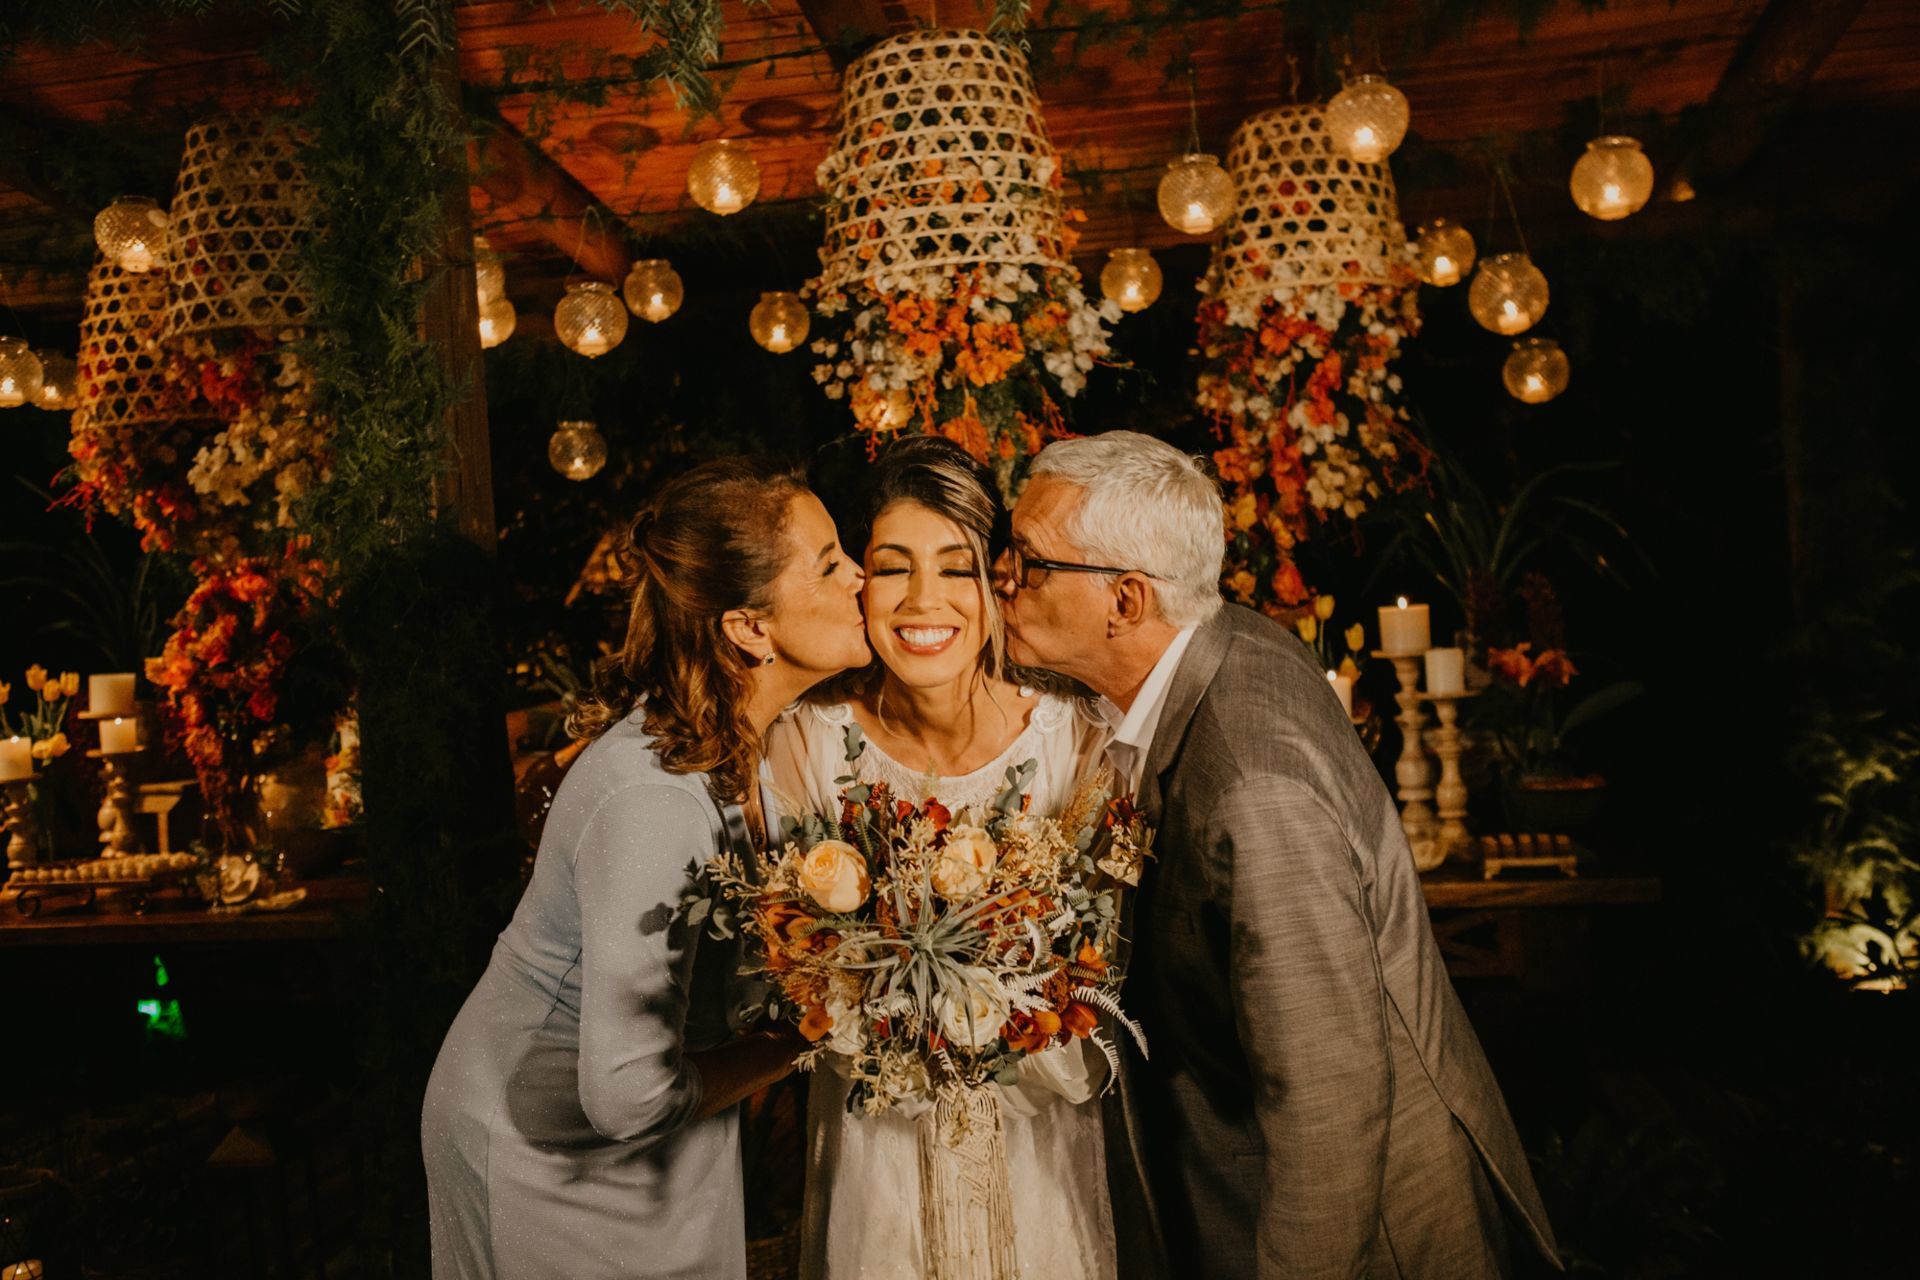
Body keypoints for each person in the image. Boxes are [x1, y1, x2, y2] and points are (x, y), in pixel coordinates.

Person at [996, 431, 1560, 1279]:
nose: (1002, 576)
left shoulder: (1255, 793)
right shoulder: (1224, 641)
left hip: (1355, 1239)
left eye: (1030, 562)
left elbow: (1330, 1104)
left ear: (1126, 600)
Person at [421, 457, 871, 1279]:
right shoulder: (652, 804)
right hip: (546, 1144)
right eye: (830, 562)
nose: (860, 577)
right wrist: (799, 1037)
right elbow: (626, 1093)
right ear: (749, 628)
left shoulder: (760, 738)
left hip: (663, 1124)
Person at [766, 435, 1115, 1280]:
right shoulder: (804, 747)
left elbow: (1113, 976)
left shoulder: (1079, 741)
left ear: (996, 583)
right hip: (872, 1166)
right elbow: (779, 974)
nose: (924, 600)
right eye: (893, 567)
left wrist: (1006, 1009)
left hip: (1042, 1165)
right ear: (860, 583)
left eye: (955, 567)